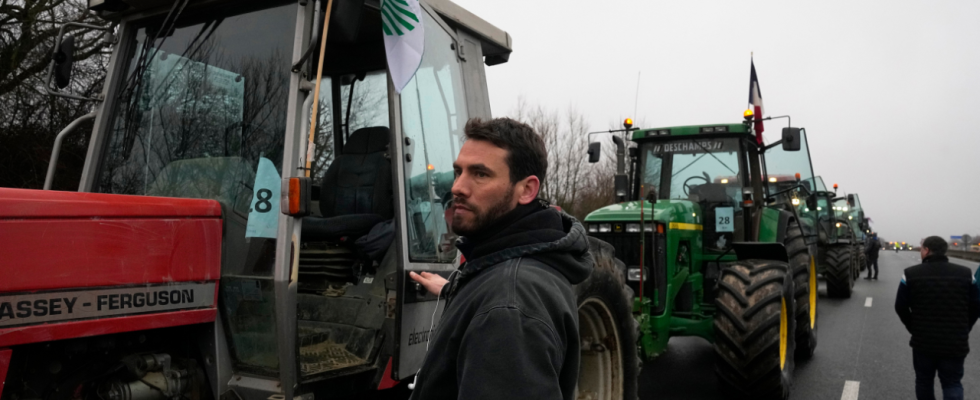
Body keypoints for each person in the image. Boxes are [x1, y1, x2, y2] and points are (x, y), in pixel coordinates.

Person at [407, 118, 592, 400]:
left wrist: (494, 301)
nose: (457, 187)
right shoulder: (513, 265)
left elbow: (505, 301)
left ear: (527, 190)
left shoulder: (509, 305)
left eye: (480, 174)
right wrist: (456, 289)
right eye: (459, 171)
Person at [895, 236, 980, 400]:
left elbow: (901, 306)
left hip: (923, 342)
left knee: (924, 381)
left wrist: (914, 328)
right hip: (955, 341)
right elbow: (976, 306)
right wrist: (964, 328)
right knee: (952, 383)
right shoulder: (966, 274)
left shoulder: (911, 274)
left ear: (926, 250)